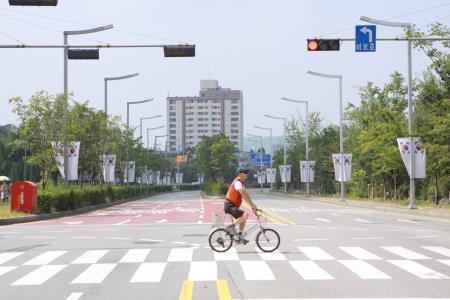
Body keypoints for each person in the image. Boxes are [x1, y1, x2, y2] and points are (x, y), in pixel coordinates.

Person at [224, 167, 257, 243]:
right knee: (245, 214)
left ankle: (239, 235)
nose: (246, 174)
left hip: (232, 206)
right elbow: (242, 193)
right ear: (240, 174)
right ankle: (230, 227)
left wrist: (252, 205)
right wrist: (252, 205)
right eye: (244, 173)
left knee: (243, 218)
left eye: (246, 172)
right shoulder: (237, 183)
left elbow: (245, 195)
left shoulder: (241, 184)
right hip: (229, 205)